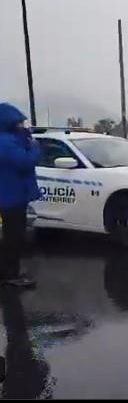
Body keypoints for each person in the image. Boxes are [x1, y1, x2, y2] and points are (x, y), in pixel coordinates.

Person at [0, 103, 41, 288]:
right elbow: (24, 162)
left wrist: (25, 138)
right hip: (11, 197)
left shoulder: (11, 140)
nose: (22, 126)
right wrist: (35, 148)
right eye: (19, 123)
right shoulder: (5, 142)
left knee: (12, 236)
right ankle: (11, 275)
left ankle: (8, 272)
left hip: (13, 195)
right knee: (13, 237)